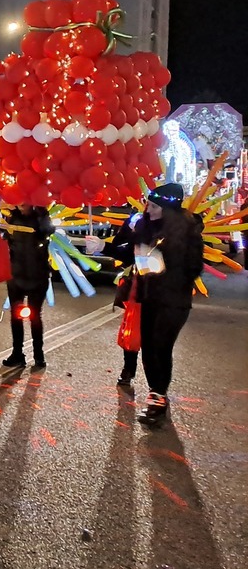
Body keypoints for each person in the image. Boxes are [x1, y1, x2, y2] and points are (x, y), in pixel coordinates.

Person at [86, 182, 205, 426]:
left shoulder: (187, 230)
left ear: (166, 208)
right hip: (148, 296)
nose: (147, 209)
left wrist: (164, 267)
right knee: (149, 348)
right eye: (147, 204)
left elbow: (194, 267)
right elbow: (131, 252)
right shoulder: (145, 226)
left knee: (161, 346)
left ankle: (158, 398)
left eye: (152, 206)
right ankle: (156, 394)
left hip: (174, 301)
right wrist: (103, 247)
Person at [0, 204, 54, 369]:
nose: (21, 203)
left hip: (37, 275)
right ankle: (17, 353)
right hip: (16, 274)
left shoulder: (41, 215)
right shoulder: (11, 216)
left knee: (35, 316)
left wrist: (40, 214)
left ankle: (38, 355)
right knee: (15, 316)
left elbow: (48, 230)